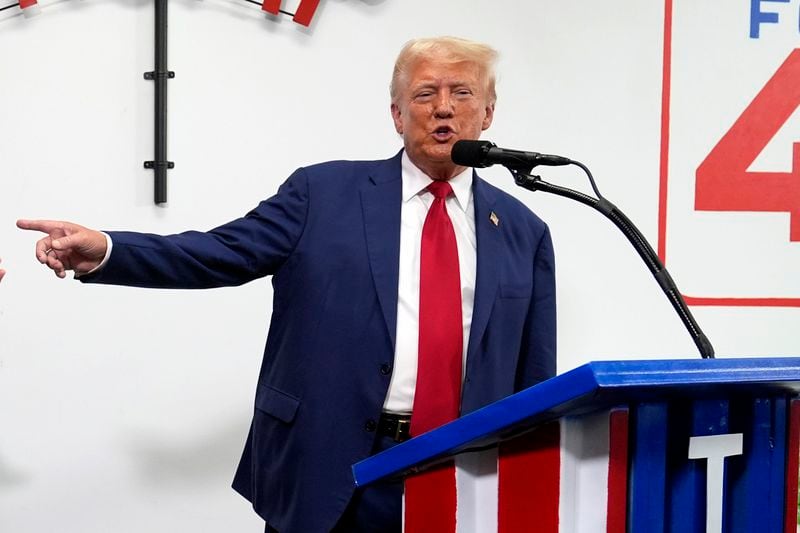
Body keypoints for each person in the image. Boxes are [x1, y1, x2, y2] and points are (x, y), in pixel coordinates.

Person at [18, 36, 556, 532]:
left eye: (462, 93)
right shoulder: (322, 193)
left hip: (461, 478)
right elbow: (218, 254)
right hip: (331, 466)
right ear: (397, 115)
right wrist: (109, 249)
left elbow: (535, 379)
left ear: (487, 112)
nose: (443, 107)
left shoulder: (523, 232)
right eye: (424, 94)